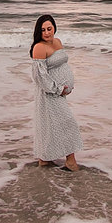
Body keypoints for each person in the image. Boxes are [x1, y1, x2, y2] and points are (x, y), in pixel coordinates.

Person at [29, 14, 83, 171]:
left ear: (54, 28)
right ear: (39, 31)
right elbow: (40, 77)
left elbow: (60, 66)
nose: (47, 33)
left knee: (49, 125)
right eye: (43, 30)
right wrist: (58, 89)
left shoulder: (57, 41)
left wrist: (67, 86)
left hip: (59, 94)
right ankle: (70, 161)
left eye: (49, 29)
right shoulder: (39, 47)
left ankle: (44, 160)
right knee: (67, 123)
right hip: (49, 94)